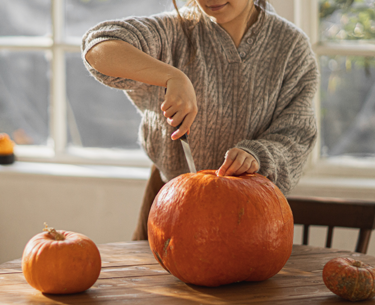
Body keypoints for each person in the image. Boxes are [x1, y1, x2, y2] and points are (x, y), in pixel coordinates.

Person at [82, 0, 319, 240]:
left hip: (251, 212)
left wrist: (257, 155)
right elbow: (97, 47)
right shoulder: (173, 31)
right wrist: (172, 76)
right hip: (171, 199)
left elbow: (296, 135)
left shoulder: (291, 47)